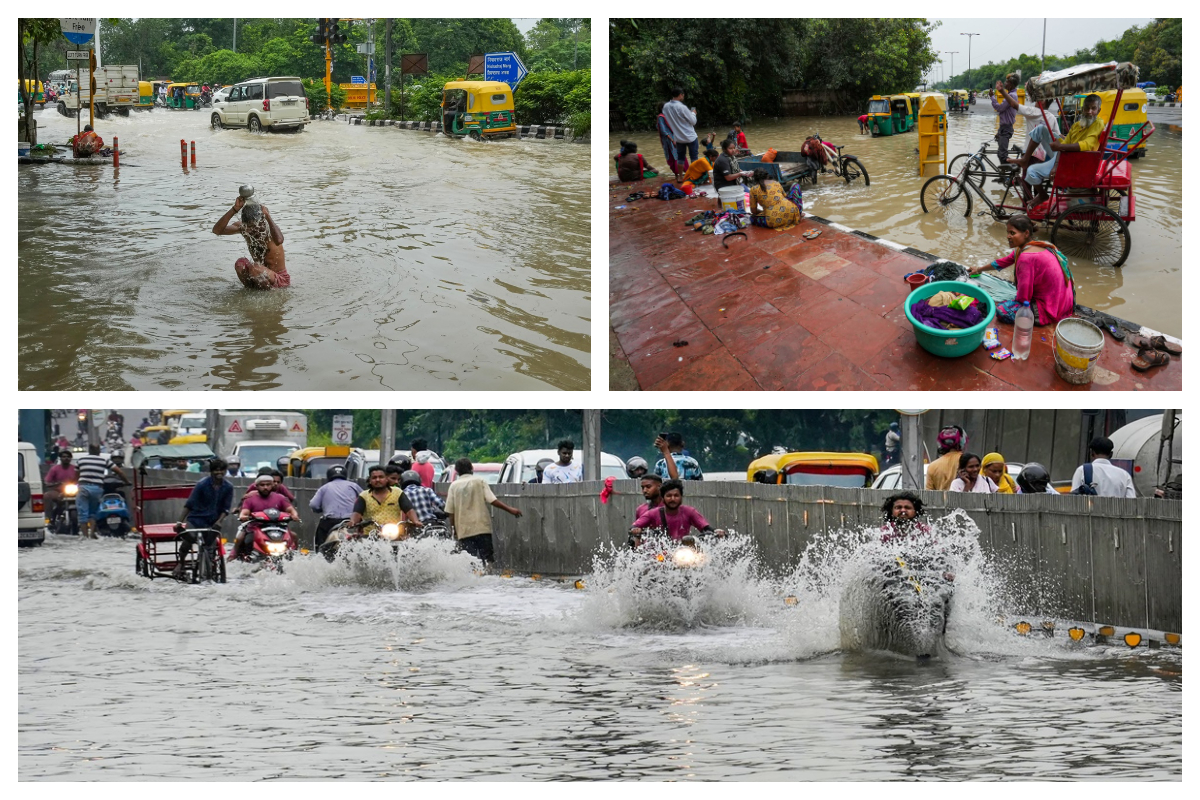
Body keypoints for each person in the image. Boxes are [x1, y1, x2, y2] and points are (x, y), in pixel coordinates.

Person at [969, 215, 1075, 326]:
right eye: (1008, 232)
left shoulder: (1026, 258)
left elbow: (1024, 297)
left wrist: (1015, 302)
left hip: (1050, 308)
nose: (1008, 236)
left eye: (1012, 233)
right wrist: (979, 270)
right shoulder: (1035, 246)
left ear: (1026, 233)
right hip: (1064, 303)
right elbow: (1001, 262)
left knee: (1002, 310)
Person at [1007, 93, 1103, 208]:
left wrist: (1060, 148)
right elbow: (1065, 144)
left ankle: (1042, 195)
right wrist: (1056, 163)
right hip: (1067, 158)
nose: (1089, 111)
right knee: (1041, 129)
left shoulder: (1098, 123)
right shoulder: (1078, 125)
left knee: (1031, 172)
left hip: (1076, 163)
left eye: (1093, 108)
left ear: (1099, 110)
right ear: (1083, 109)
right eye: (1087, 108)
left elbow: (1087, 145)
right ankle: (1025, 160)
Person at [444, 458, 522, 566]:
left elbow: (450, 512)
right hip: (482, 527)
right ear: (471, 468)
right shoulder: (479, 481)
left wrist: (454, 530)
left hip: (464, 530)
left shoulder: (454, 486)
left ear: (457, 471)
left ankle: (475, 579)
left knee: (470, 561)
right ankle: (488, 579)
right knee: (488, 559)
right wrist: (510, 509)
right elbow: (492, 500)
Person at [212, 195, 289, 289]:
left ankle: (269, 295)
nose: (254, 230)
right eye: (250, 227)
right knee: (240, 264)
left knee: (255, 268)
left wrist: (268, 216)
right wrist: (234, 209)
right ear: (245, 224)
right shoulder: (243, 228)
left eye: (256, 225)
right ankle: (251, 291)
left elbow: (279, 240)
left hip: (279, 280)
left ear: (262, 222)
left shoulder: (269, 230)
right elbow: (217, 231)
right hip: (258, 274)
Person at [173, 459, 233, 578]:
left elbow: (226, 509)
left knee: (210, 547)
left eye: (222, 470)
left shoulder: (228, 487)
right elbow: (189, 504)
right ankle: (181, 563)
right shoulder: (202, 484)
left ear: (225, 471)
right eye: (216, 470)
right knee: (188, 540)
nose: (219, 472)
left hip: (213, 521)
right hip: (196, 519)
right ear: (211, 471)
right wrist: (179, 522)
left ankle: (209, 567)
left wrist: (219, 521)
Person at [232, 473, 301, 559]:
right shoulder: (250, 498)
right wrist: (243, 516)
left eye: (268, 485)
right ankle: (234, 556)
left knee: (293, 536)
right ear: (256, 486)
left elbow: (291, 510)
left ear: (272, 485)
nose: (265, 487)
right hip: (255, 527)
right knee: (240, 538)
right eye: (262, 485)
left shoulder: (280, 498)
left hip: (279, 527)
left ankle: (294, 556)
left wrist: (294, 515)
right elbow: (244, 512)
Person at [629, 480, 723, 541]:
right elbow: (634, 526)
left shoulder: (689, 512)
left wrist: (717, 532)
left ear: (681, 497)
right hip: (659, 553)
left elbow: (705, 528)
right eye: (669, 496)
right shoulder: (652, 513)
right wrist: (635, 529)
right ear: (663, 498)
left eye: (676, 496)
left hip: (683, 551)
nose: (673, 499)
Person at [75, 444, 127, 538]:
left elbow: (76, 474)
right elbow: (119, 472)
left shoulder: (81, 460)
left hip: (83, 488)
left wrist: (76, 483)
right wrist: (127, 481)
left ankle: (85, 536)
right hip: (97, 489)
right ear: (98, 451)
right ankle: (92, 534)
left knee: (83, 513)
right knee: (93, 512)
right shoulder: (104, 460)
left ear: (89, 450)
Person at [349, 466, 421, 530]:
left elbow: (409, 510)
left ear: (386, 479)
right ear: (370, 481)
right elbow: (357, 513)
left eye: (381, 477)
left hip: (395, 533)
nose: (378, 480)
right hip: (370, 536)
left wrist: (415, 521)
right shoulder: (364, 496)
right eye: (374, 478)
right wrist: (353, 522)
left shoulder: (397, 492)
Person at [310, 464, 362, 549]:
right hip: (352, 522)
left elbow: (314, 505)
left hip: (330, 522)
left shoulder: (324, 488)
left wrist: (320, 509)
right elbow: (365, 498)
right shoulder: (353, 486)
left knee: (321, 544)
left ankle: (320, 554)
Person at [1071, 437, 1135, 498]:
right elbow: (1131, 501)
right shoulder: (1124, 475)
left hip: (1091, 509)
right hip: (1116, 509)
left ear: (1091, 453)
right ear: (1111, 454)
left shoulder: (1082, 470)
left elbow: (1074, 498)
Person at [662, 87, 700, 181]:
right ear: (680, 95)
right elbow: (693, 121)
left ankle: (679, 176)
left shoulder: (666, 107)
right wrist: (693, 113)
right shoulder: (682, 107)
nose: (683, 96)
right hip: (690, 136)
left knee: (680, 158)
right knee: (694, 157)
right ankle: (694, 175)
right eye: (683, 94)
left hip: (678, 137)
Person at [43, 450, 79, 528]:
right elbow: (47, 481)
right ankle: (48, 519)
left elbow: (79, 479)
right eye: (64, 457)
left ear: (71, 458)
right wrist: (56, 484)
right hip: (58, 491)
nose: (66, 458)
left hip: (74, 491)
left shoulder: (75, 469)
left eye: (68, 457)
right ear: (60, 458)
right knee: (47, 496)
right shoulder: (54, 469)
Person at [926, 426, 966, 491]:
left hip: (939, 501)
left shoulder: (932, 466)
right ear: (962, 441)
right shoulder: (969, 462)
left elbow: (929, 493)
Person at [991, 74, 1020, 159]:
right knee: (1000, 153)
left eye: (1006, 82)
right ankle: (1004, 170)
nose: (1004, 83)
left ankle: (1013, 167)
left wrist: (992, 97)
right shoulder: (1011, 94)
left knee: (1002, 155)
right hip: (1003, 128)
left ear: (1011, 84)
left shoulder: (1011, 96)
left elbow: (999, 108)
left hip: (1006, 128)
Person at [656, 102, 683, 181]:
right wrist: (672, 140)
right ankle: (677, 175)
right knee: (673, 157)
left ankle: (680, 174)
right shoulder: (661, 117)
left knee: (678, 156)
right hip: (669, 141)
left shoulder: (667, 117)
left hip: (674, 139)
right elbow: (663, 131)